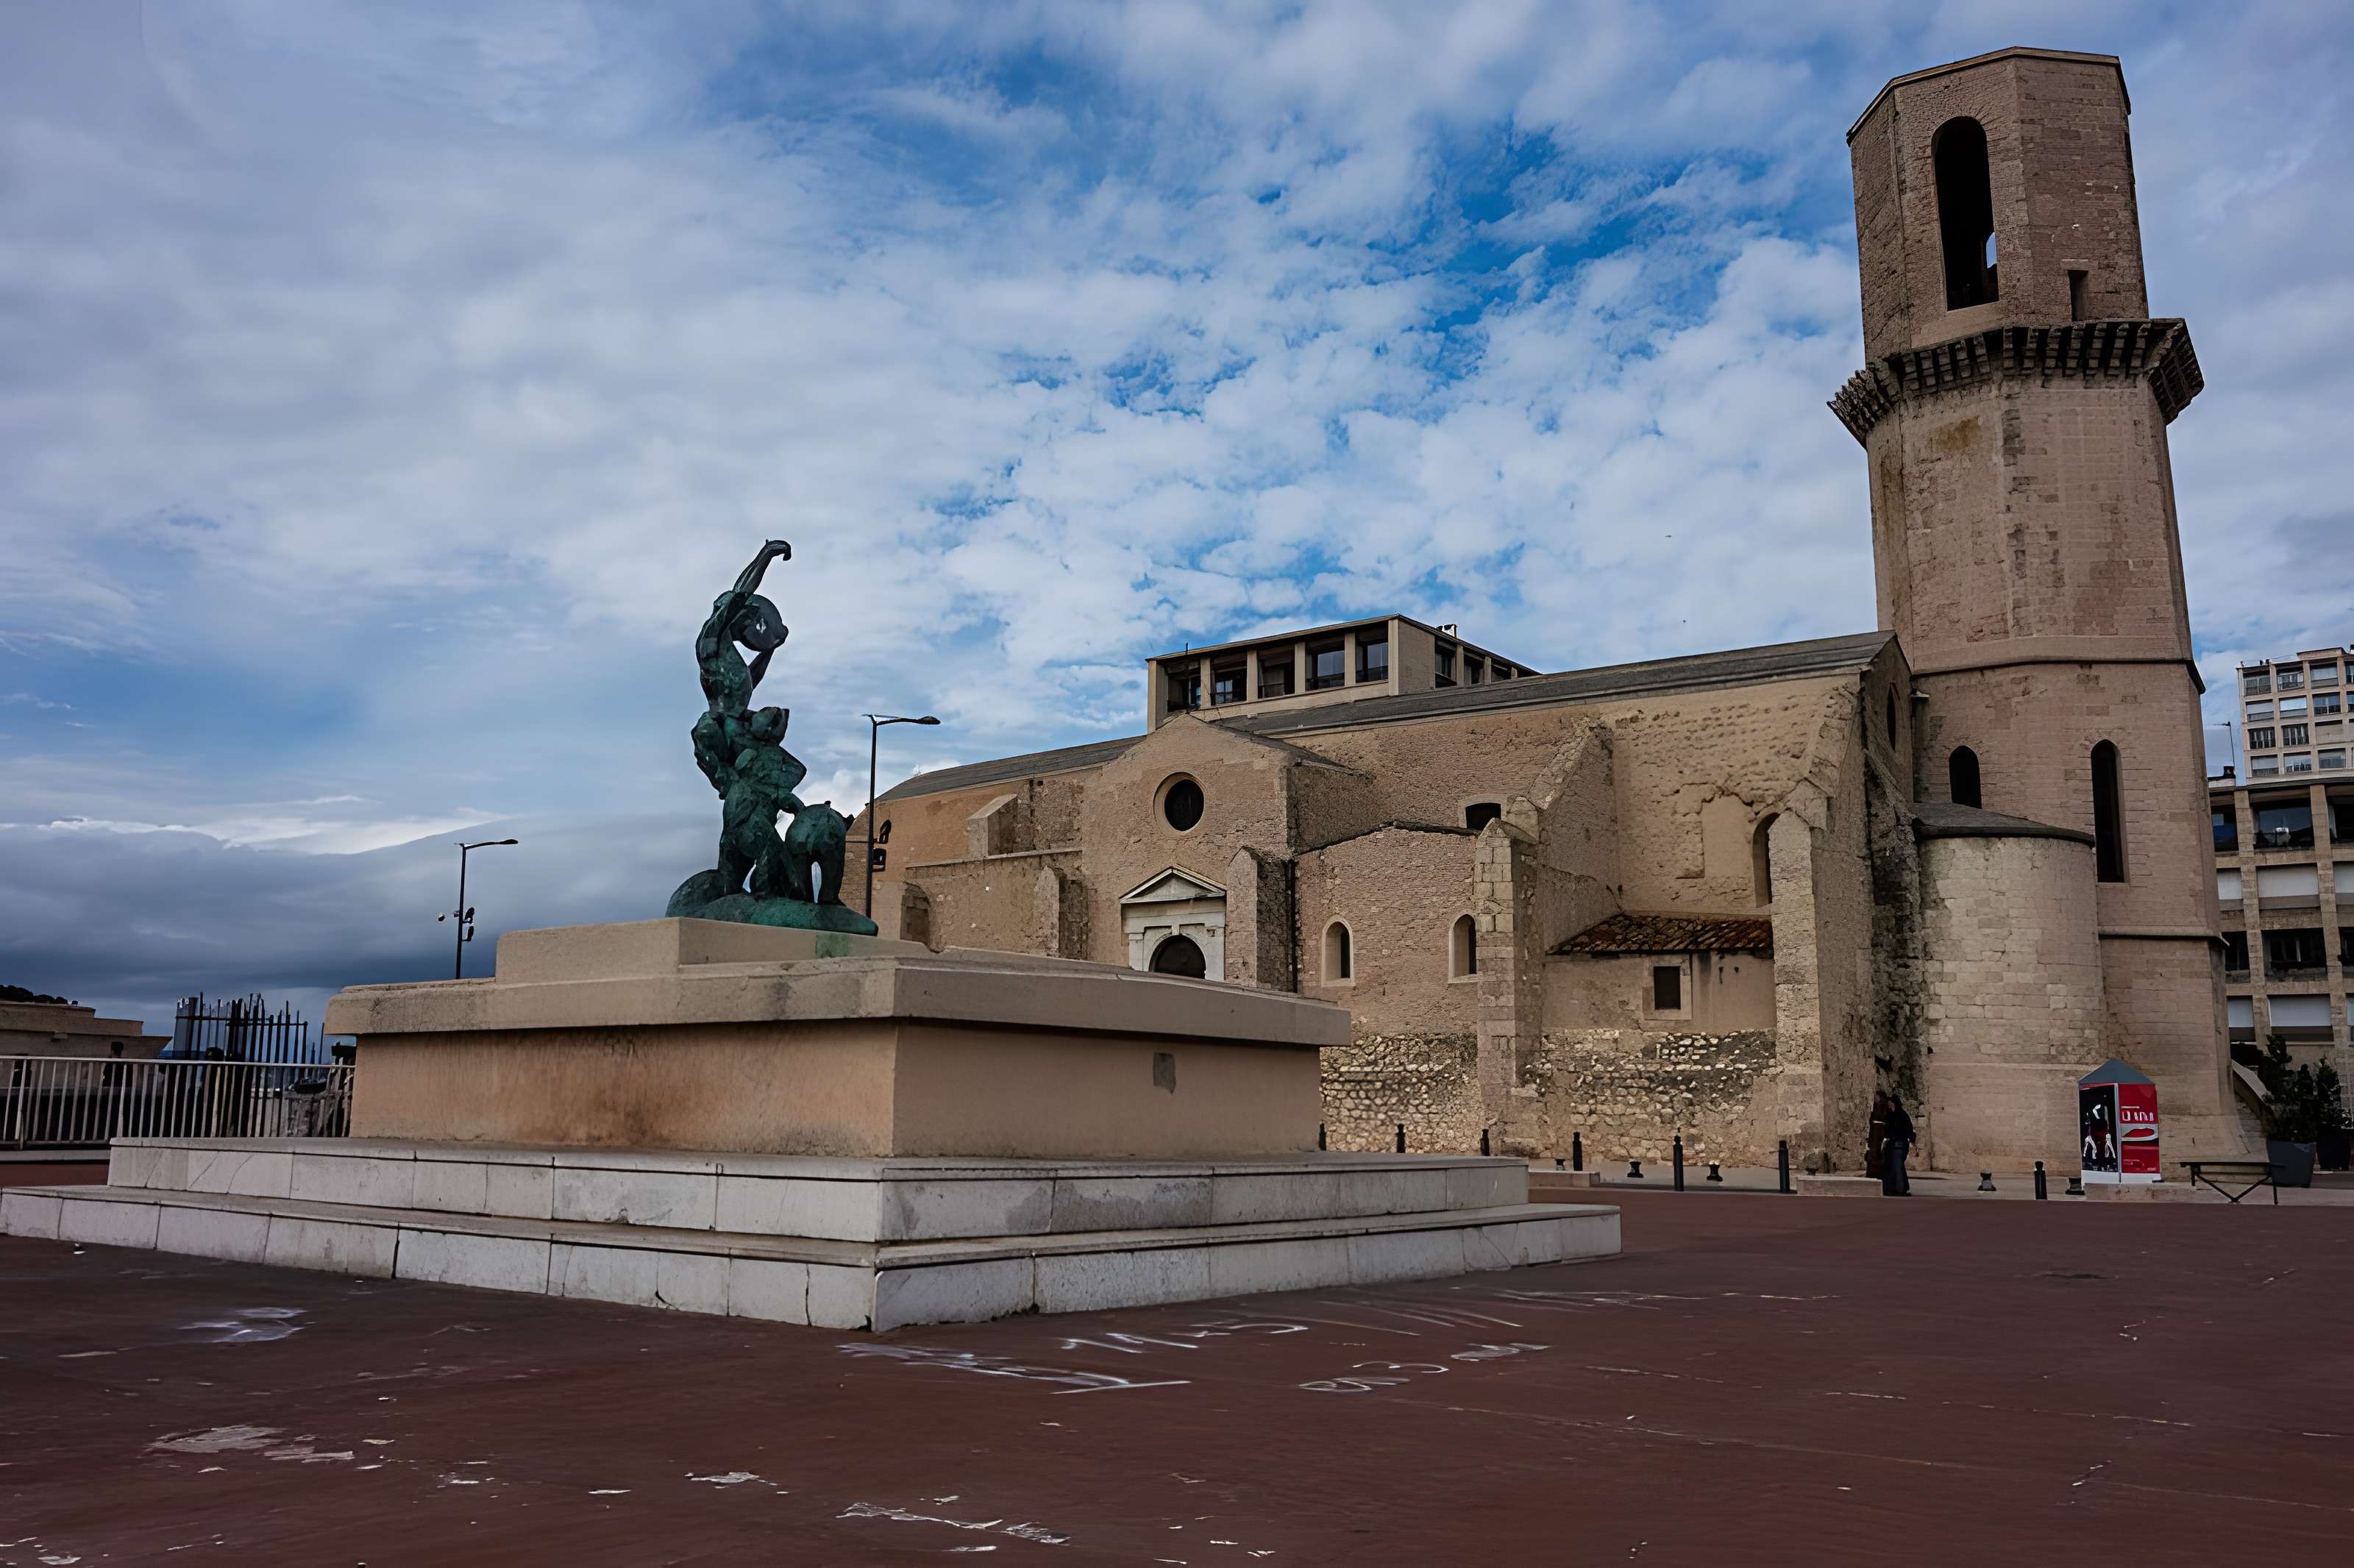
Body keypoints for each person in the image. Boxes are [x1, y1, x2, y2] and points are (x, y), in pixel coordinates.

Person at [1882, 1097, 1915, 1196]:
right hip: (1895, 1143)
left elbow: (1908, 1129)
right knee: (1896, 1166)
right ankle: (1898, 1188)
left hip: (1899, 1143)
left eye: (1891, 1103)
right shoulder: (1892, 1115)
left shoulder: (1900, 1115)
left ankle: (1899, 1189)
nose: (1889, 1105)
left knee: (1897, 1166)